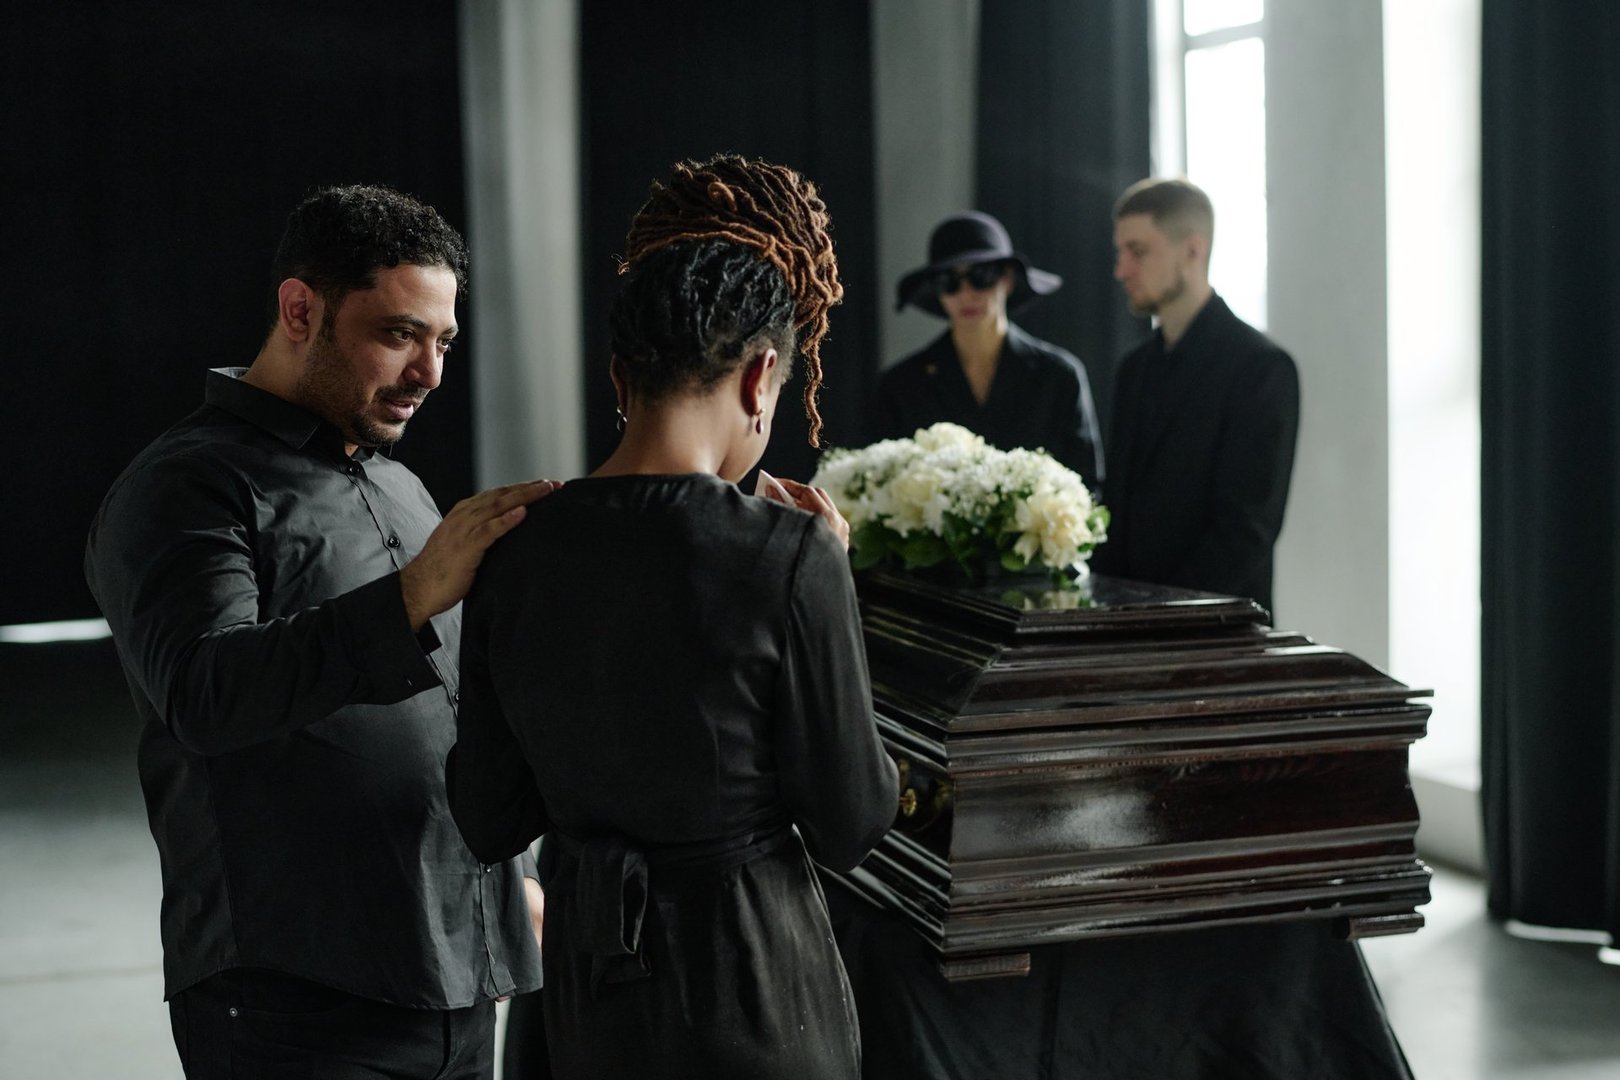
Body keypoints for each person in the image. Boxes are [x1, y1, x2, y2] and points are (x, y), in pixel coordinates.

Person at [445, 155, 899, 1079]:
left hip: (578, 1005)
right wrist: (833, 587)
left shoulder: (511, 548)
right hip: (751, 993)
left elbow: (488, 817)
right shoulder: (791, 553)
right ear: (763, 376)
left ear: (619, 376)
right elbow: (854, 819)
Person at [84, 185, 548, 1079]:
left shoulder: (402, 487)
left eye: (443, 340)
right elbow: (206, 693)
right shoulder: (185, 488)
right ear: (301, 310)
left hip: (456, 974)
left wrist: (510, 874)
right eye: (399, 333)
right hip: (296, 997)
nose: (431, 373)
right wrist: (413, 593)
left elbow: (453, 711)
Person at [1093, 177, 1300, 614]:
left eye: (1138, 251)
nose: (1121, 270)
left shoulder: (1260, 368)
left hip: (1219, 632)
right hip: (1124, 631)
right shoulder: (1134, 369)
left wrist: (1158, 616)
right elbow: (1116, 513)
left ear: (1192, 249)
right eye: (1120, 252)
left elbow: (1246, 532)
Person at [869, 210, 1104, 490]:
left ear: (1007, 279)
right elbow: (883, 488)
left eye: (981, 276)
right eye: (950, 281)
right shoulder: (902, 385)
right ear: (938, 292)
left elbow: (1086, 487)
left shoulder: (1058, 376)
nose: (967, 293)